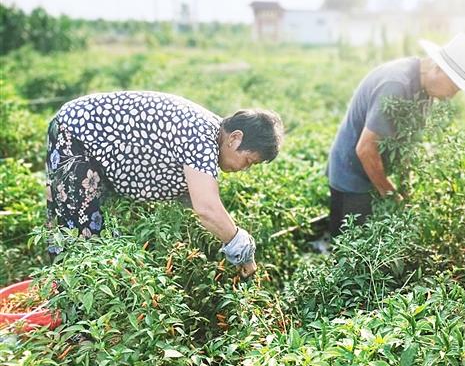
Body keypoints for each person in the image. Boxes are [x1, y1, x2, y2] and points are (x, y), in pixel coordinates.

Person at [45, 90, 285, 278]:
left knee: (102, 235)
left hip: (95, 148)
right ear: (235, 138)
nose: (245, 168)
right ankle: (71, 323)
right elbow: (207, 209)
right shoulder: (201, 136)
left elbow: (198, 202)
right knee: (79, 236)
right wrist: (244, 251)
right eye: (248, 161)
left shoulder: (209, 137)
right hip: (76, 134)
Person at [327, 33, 465, 236]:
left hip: (375, 174)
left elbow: (405, 145)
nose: (451, 96)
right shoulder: (396, 85)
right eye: (455, 87)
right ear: (438, 69)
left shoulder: (424, 90)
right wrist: (390, 194)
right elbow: (365, 148)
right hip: (351, 176)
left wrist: (405, 190)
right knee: (349, 247)